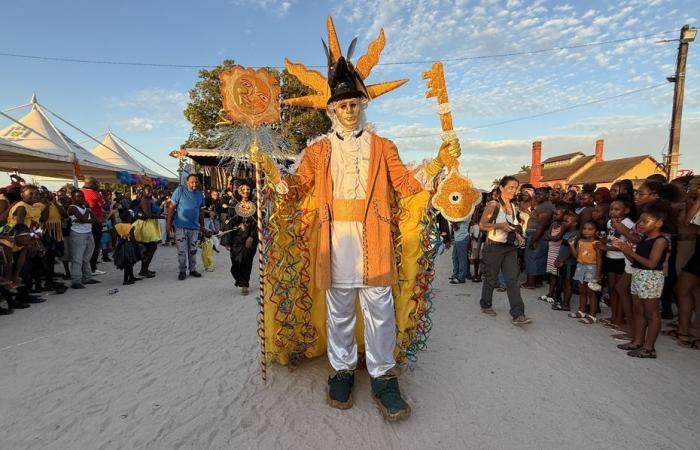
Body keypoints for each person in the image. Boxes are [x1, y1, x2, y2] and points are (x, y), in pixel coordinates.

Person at [251, 18, 461, 421]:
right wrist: (272, 171)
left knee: (379, 306)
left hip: (375, 237)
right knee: (339, 307)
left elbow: (404, 184)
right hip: (333, 240)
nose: (348, 111)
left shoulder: (384, 146)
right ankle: (342, 369)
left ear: (363, 104)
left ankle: (383, 376)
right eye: (341, 105)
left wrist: (438, 161)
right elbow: (296, 189)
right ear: (330, 109)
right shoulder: (316, 150)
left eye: (353, 104)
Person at [613, 200, 673, 358]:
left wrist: (630, 252)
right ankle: (637, 341)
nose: (641, 224)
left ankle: (649, 347)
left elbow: (652, 264)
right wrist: (623, 249)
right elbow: (635, 261)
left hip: (650, 278)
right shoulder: (644, 240)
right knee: (638, 310)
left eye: (646, 221)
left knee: (651, 313)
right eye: (640, 221)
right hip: (638, 274)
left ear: (659, 223)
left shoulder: (660, 241)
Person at [478, 176, 531, 325]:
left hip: (509, 248)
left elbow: (513, 226)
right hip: (494, 246)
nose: (513, 191)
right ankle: (486, 304)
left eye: (515, 188)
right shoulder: (494, 205)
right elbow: (482, 225)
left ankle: (518, 314)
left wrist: (518, 236)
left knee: (512, 280)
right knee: (491, 277)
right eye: (510, 188)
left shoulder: (513, 207)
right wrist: (498, 226)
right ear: (501, 188)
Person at [599, 200, 635, 330]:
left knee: (621, 291)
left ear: (626, 210)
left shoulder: (628, 224)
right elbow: (611, 239)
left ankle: (620, 318)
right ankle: (614, 316)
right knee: (612, 289)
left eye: (617, 209)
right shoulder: (610, 222)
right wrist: (602, 243)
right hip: (610, 257)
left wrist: (606, 248)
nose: (613, 212)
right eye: (611, 209)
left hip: (621, 259)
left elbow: (628, 245)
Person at [221, 180, 258, 295]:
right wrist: (227, 240)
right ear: (238, 190)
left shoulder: (255, 205)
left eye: (248, 189)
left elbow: (257, 223)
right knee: (236, 262)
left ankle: (244, 284)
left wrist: (251, 237)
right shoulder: (233, 204)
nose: (246, 191)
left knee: (247, 261)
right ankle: (239, 279)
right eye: (243, 189)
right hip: (236, 239)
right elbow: (228, 222)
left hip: (249, 238)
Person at [166, 175, 204, 281]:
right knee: (181, 251)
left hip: (195, 227)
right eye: (192, 182)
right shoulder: (180, 191)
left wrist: (203, 227)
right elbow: (171, 207)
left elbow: (201, 211)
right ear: (187, 182)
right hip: (181, 227)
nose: (194, 184)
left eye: (196, 182)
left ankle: (192, 270)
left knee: (193, 250)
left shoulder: (200, 194)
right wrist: (168, 224)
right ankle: (182, 271)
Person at [568, 221, 602, 324]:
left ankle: (592, 316)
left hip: (592, 268)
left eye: (590, 229)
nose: (586, 231)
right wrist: (572, 246)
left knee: (591, 293)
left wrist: (598, 274)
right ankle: (581, 311)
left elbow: (600, 259)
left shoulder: (596, 243)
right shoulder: (580, 241)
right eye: (584, 228)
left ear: (596, 231)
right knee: (582, 291)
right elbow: (576, 256)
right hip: (580, 267)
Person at [522, 188, 554, 289]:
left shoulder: (546, 207)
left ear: (547, 195)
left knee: (531, 258)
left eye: (541, 194)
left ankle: (530, 283)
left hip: (537, 235)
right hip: (538, 235)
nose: (538, 196)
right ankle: (537, 282)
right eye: (536, 194)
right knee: (539, 259)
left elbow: (541, 225)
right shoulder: (544, 205)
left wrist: (533, 240)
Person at [68, 190, 100, 289]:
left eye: (82, 196)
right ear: (73, 198)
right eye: (78, 196)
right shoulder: (72, 207)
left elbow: (96, 220)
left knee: (86, 257)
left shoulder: (84, 207)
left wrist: (86, 219)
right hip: (78, 234)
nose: (81, 198)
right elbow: (83, 219)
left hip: (88, 233)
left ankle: (87, 277)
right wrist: (87, 210)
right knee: (77, 258)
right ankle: (76, 281)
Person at [552, 211, 579, 312]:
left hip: (569, 263)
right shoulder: (566, 233)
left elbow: (572, 251)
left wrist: (563, 260)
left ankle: (566, 304)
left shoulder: (576, 234)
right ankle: (561, 301)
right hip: (562, 261)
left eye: (566, 221)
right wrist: (558, 259)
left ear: (575, 223)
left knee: (568, 283)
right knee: (563, 281)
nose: (563, 223)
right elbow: (563, 249)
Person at [133, 185, 161, 279]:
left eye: (151, 190)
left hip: (150, 225)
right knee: (151, 247)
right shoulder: (145, 200)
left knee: (150, 248)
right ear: (143, 191)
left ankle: (144, 269)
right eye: (147, 190)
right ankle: (143, 270)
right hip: (146, 226)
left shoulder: (149, 199)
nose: (150, 192)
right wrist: (161, 217)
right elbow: (148, 215)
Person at [539, 205, 566, 303]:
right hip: (551, 250)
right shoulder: (553, 224)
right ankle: (550, 293)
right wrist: (551, 237)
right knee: (552, 273)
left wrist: (550, 237)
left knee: (557, 274)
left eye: (557, 214)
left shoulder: (563, 225)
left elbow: (556, 238)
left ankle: (557, 295)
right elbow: (547, 235)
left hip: (558, 252)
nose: (554, 216)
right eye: (554, 214)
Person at [81, 178, 106, 276]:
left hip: (83, 223)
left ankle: (85, 268)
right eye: (97, 184)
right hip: (95, 223)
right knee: (94, 246)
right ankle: (92, 268)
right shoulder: (95, 194)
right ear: (92, 184)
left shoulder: (80, 192)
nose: (99, 186)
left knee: (85, 247)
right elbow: (103, 205)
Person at [114, 210, 140, 285]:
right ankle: (126, 280)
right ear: (128, 218)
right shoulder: (130, 227)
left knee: (127, 262)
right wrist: (137, 245)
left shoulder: (117, 226)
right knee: (129, 263)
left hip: (121, 245)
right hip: (128, 246)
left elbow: (116, 236)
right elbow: (133, 238)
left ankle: (131, 277)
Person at [449, 219, 470, 284]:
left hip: (462, 237)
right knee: (455, 257)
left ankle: (461, 277)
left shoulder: (467, 214)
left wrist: (452, 220)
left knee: (462, 258)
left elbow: (457, 224)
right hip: (457, 238)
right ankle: (456, 274)